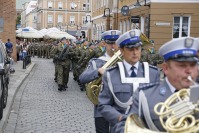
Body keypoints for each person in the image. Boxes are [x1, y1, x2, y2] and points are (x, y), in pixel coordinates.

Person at [123, 37, 199, 132]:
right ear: (166, 68)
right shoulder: (144, 96)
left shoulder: (196, 93)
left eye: (193, 65)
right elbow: (123, 126)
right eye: (182, 65)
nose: (189, 71)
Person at [98, 29, 160, 133]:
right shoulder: (110, 74)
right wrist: (119, 118)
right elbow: (103, 104)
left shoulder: (153, 73)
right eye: (130, 49)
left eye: (137, 48)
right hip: (120, 127)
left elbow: (159, 102)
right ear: (121, 51)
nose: (135, 52)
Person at [79, 30, 121, 133]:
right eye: (110, 43)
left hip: (121, 107)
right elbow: (82, 78)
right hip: (101, 109)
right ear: (104, 43)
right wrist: (98, 71)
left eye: (116, 43)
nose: (113, 46)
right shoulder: (96, 62)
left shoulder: (125, 61)